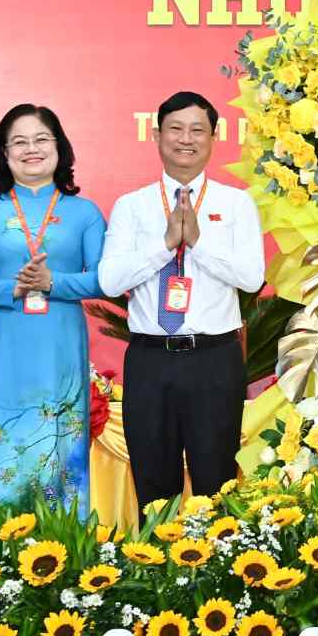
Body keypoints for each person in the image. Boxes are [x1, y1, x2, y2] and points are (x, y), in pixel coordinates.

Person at [99, 92, 264, 514]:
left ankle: (217, 571)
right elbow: (110, 279)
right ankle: (158, 571)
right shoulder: (132, 207)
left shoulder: (236, 203)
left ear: (213, 137)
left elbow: (251, 278)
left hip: (214, 359)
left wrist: (197, 244)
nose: (185, 139)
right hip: (151, 360)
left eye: (197, 130)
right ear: (157, 136)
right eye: (175, 128)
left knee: (217, 483)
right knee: (154, 485)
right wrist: (165, 245)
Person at [0, 104, 106, 512]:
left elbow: (105, 279)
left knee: (58, 444)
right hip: (3, 344)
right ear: (3, 153)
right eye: (18, 142)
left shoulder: (84, 212)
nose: (30, 149)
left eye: (41, 139)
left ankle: (64, 541)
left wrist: (53, 283)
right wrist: (12, 288)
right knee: (3, 442)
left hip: (60, 344)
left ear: (60, 148)